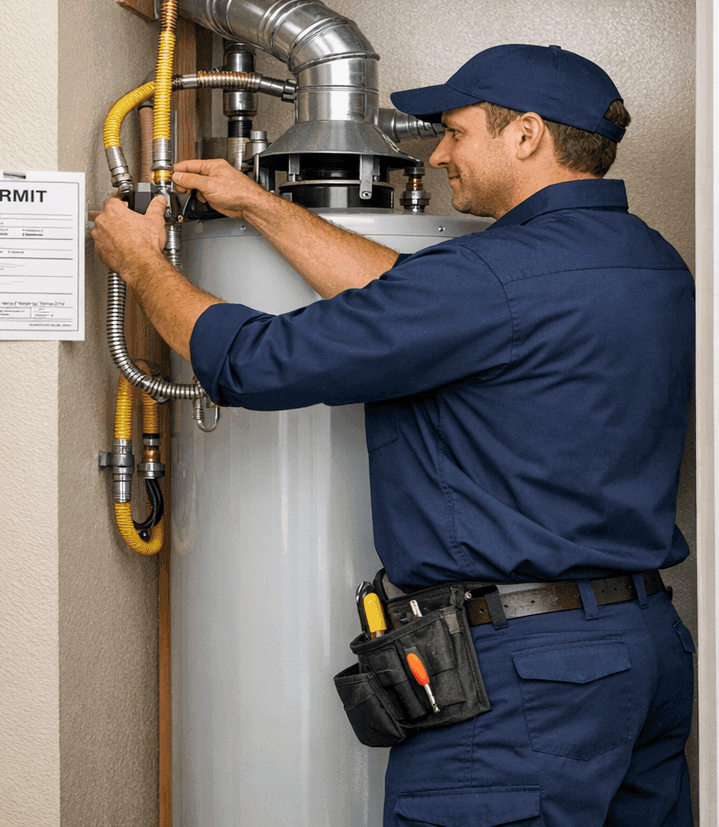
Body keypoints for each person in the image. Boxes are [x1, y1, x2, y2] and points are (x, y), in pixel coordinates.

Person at [92, 44, 694, 825]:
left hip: (522, 683)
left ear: (528, 135)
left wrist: (142, 268)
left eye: (456, 132)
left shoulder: (488, 277)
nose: (439, 152)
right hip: (639, 650)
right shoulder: (648, 262)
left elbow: (254, 364)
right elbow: (410, 301)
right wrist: (263, 207)